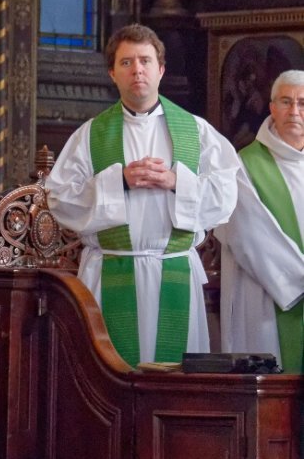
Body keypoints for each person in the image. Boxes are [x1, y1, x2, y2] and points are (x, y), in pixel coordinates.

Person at [46, 25, 240, 367]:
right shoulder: (91, 135)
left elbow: (226, 194)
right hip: (110, 271)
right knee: (111, 380)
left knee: (175, 384)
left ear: (161, 69)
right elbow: (60, 198)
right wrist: (117, 180)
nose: (137, 70)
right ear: (112, 72)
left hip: (174, 267)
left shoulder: (195, 130)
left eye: (145, 61)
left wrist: (176, 180)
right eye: (126, 62)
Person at [215, 70, 304, 371]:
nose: (295, 111)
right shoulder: (245, 164)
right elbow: (246, 233)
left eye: (302, 103)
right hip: (268, 298)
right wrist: (298, 280)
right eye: (286, 101)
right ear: (271, 108)